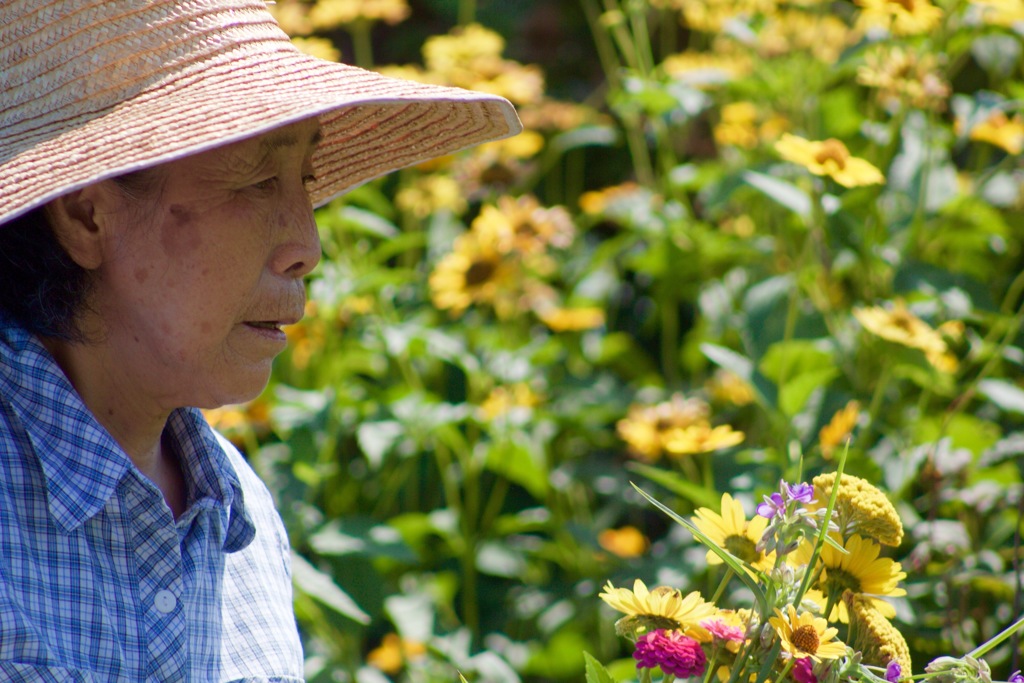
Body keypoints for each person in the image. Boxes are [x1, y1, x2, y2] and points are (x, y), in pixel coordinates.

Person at [0, 1, 520, 680]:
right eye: (253, 179)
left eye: (304, 180)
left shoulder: (235, 504)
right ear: (86, 214)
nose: (307, 246)